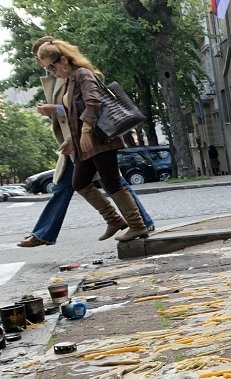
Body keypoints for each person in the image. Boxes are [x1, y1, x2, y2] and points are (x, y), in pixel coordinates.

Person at [19, 36, 154, 247]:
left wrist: (86, 131)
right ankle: (114, 219)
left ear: (63, 60)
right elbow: (73, 114)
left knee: (112, 182)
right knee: (79, 183)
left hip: (100, 139)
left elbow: (93, 102)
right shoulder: (71, 79)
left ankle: (138, 225)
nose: (52, 72)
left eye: (52, 67)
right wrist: (72, 140)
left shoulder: (83, 74)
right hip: (85, 144)